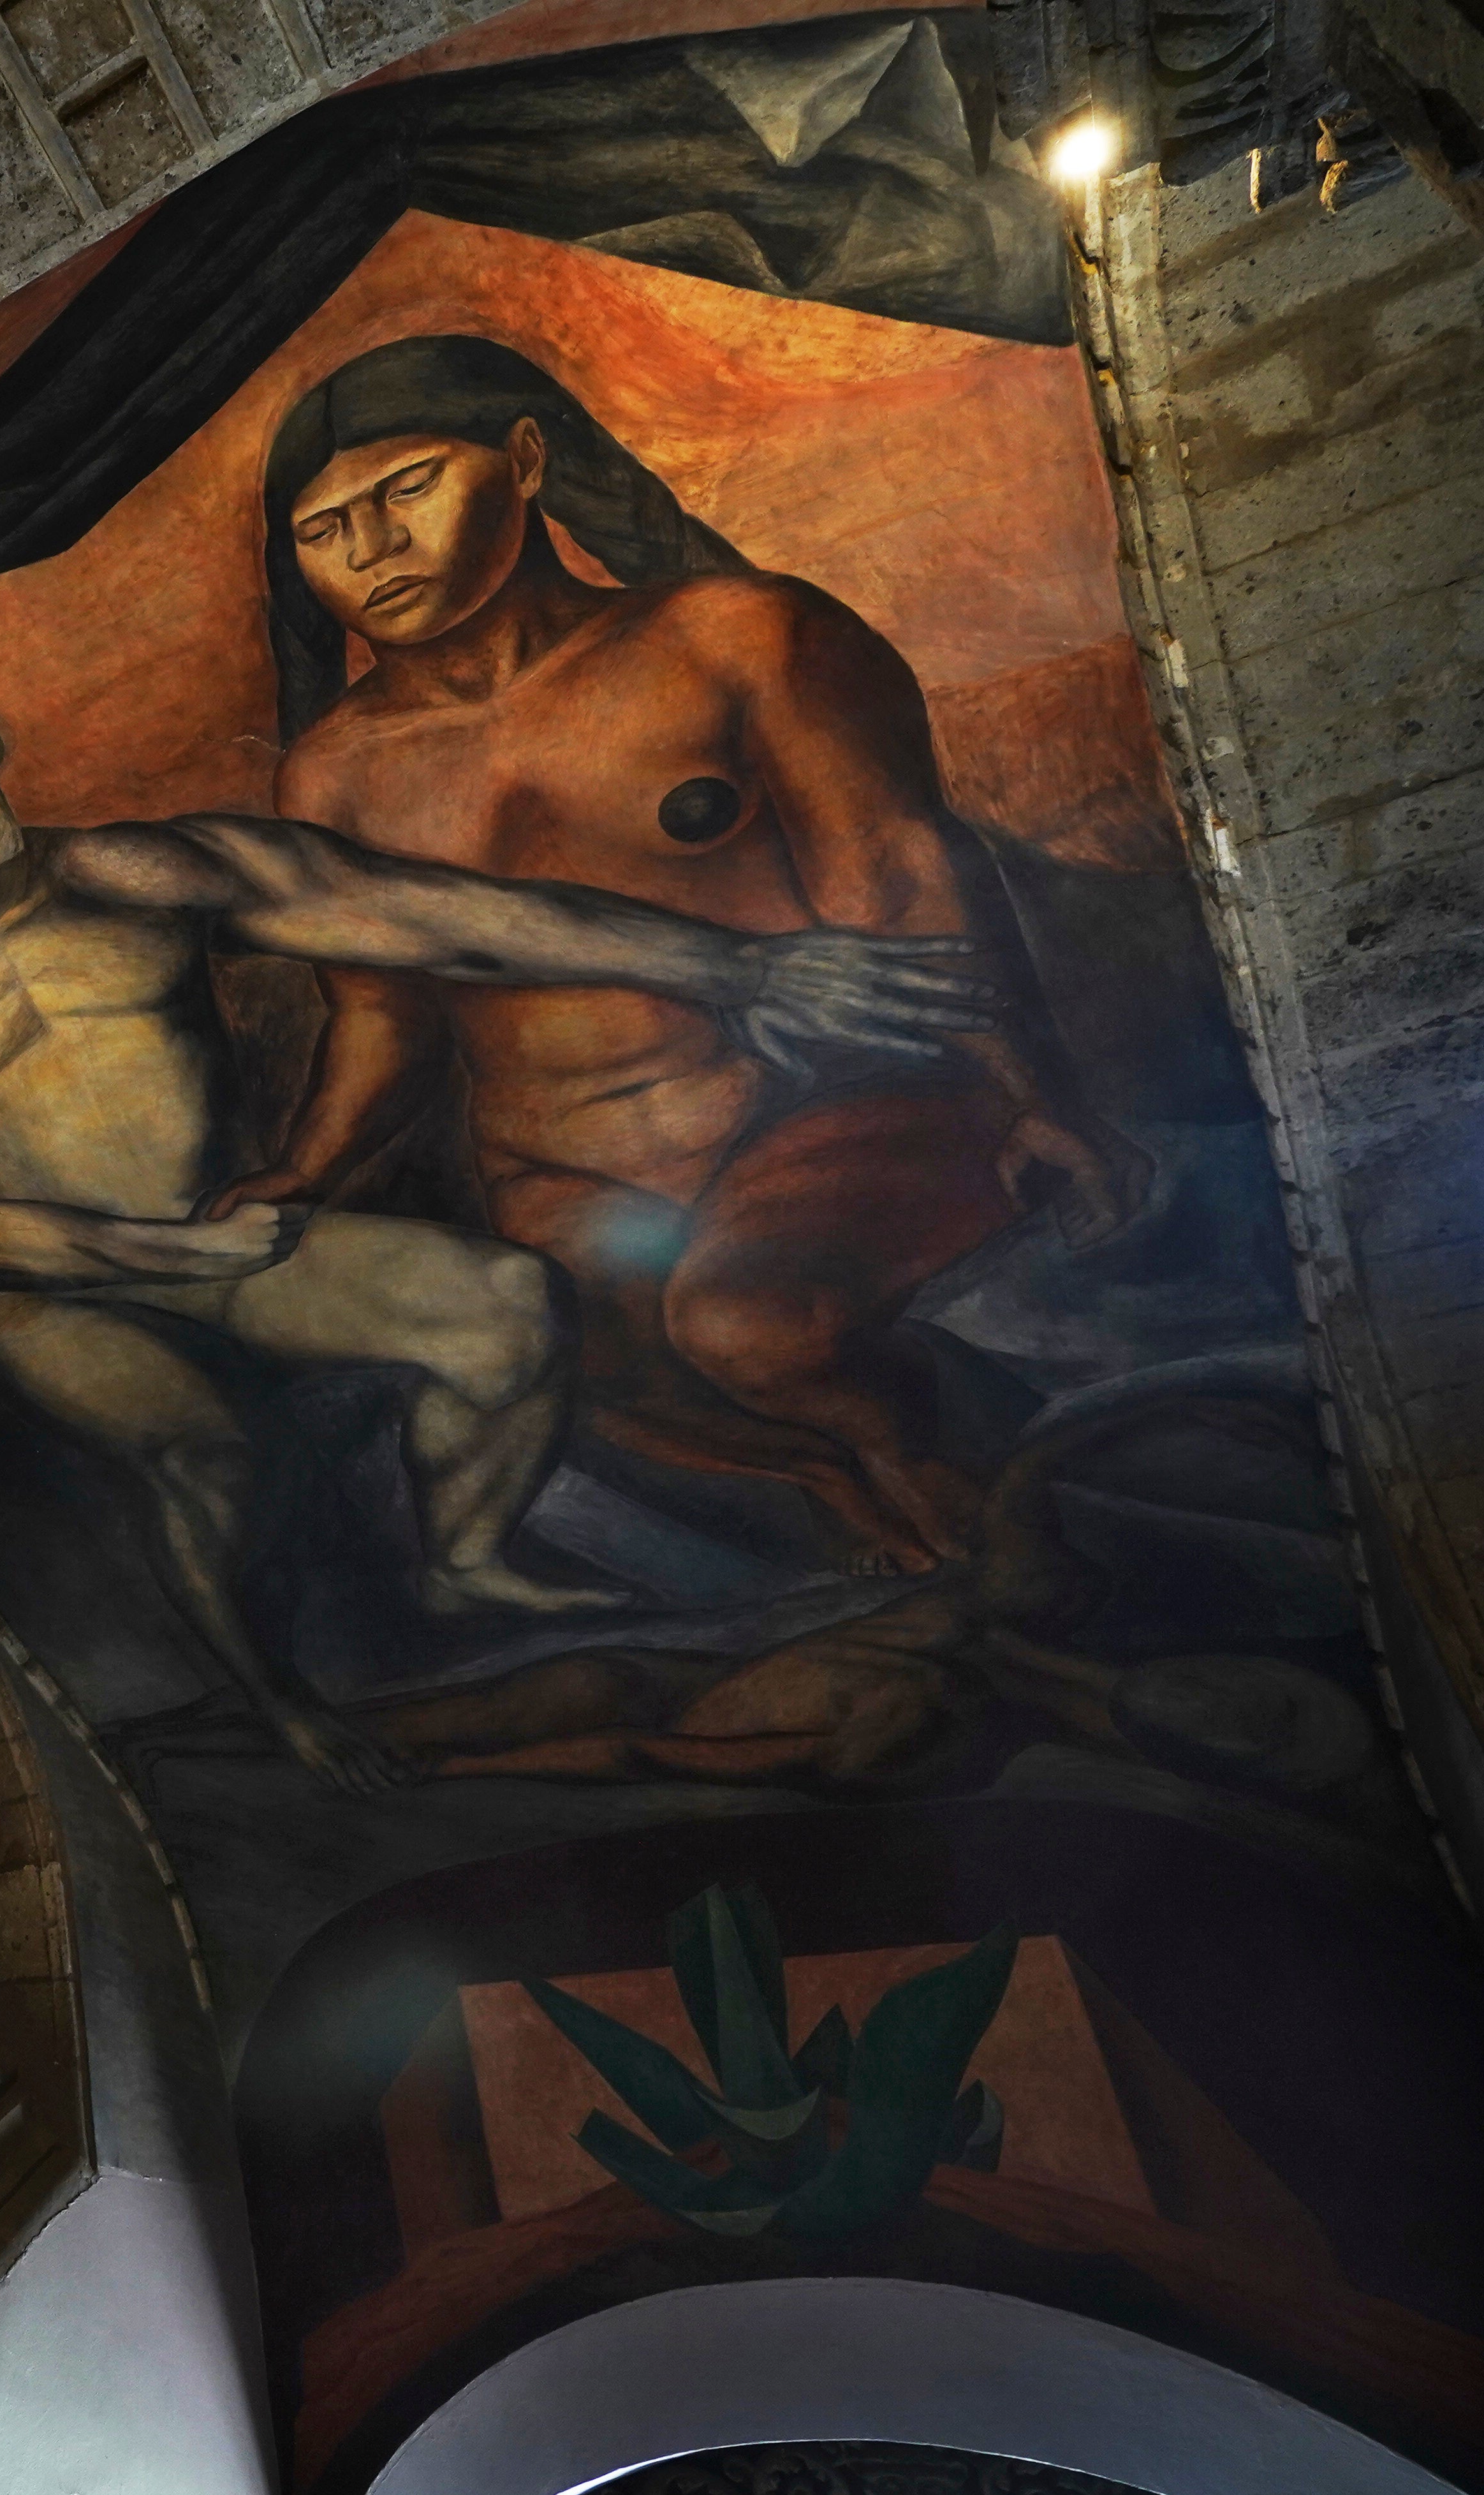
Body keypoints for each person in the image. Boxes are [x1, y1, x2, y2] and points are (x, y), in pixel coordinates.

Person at [0, 633, 994, 1791]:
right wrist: (170, 1252)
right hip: (63, 1293)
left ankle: (468, 1553)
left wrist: (741, 966)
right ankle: (286, 1708)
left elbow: (427, 915)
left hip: (226, 1238)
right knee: (206, 1462)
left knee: (506, 1308)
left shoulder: (135, 872)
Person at [251, 336, 1149, 1574]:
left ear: (523, 459)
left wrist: (1028, 1089)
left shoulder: (737, 636)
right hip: (559, 1169)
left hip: (821, 1114)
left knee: (749, 1324)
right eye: (325, 526)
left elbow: (891, 873)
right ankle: (872, 1505)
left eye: (406, 489)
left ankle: (950, 1478)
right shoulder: (332, 773)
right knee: (544, 1359)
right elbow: (380, 1012)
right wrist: (296, 1177)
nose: (370, 548)